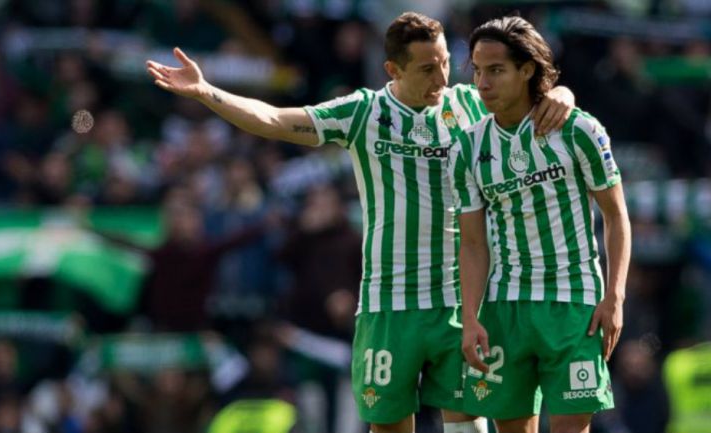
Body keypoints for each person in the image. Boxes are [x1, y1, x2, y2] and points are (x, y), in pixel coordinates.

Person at [146, 12, 574, 433]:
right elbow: (275, 120)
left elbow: (529, 99)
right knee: (387, 427)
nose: (442, 78)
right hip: (387, 305)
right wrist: (206, 92)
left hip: (459, 303)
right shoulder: (363, 113)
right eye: (428, 68)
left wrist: (563, 95)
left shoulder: (467, 104)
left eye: (445, 63)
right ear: (393, 69)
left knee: (468, 424)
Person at [450, 16, 631, 433]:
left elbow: (616, 216)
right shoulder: (468, 147)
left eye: (495, 70)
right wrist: (471, 317)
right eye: (477, 70)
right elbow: (473, 244)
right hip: (504, 307)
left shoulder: (579, 129)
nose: (482, 83)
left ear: (527, 70)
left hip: (574, 304)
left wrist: (615, 297)